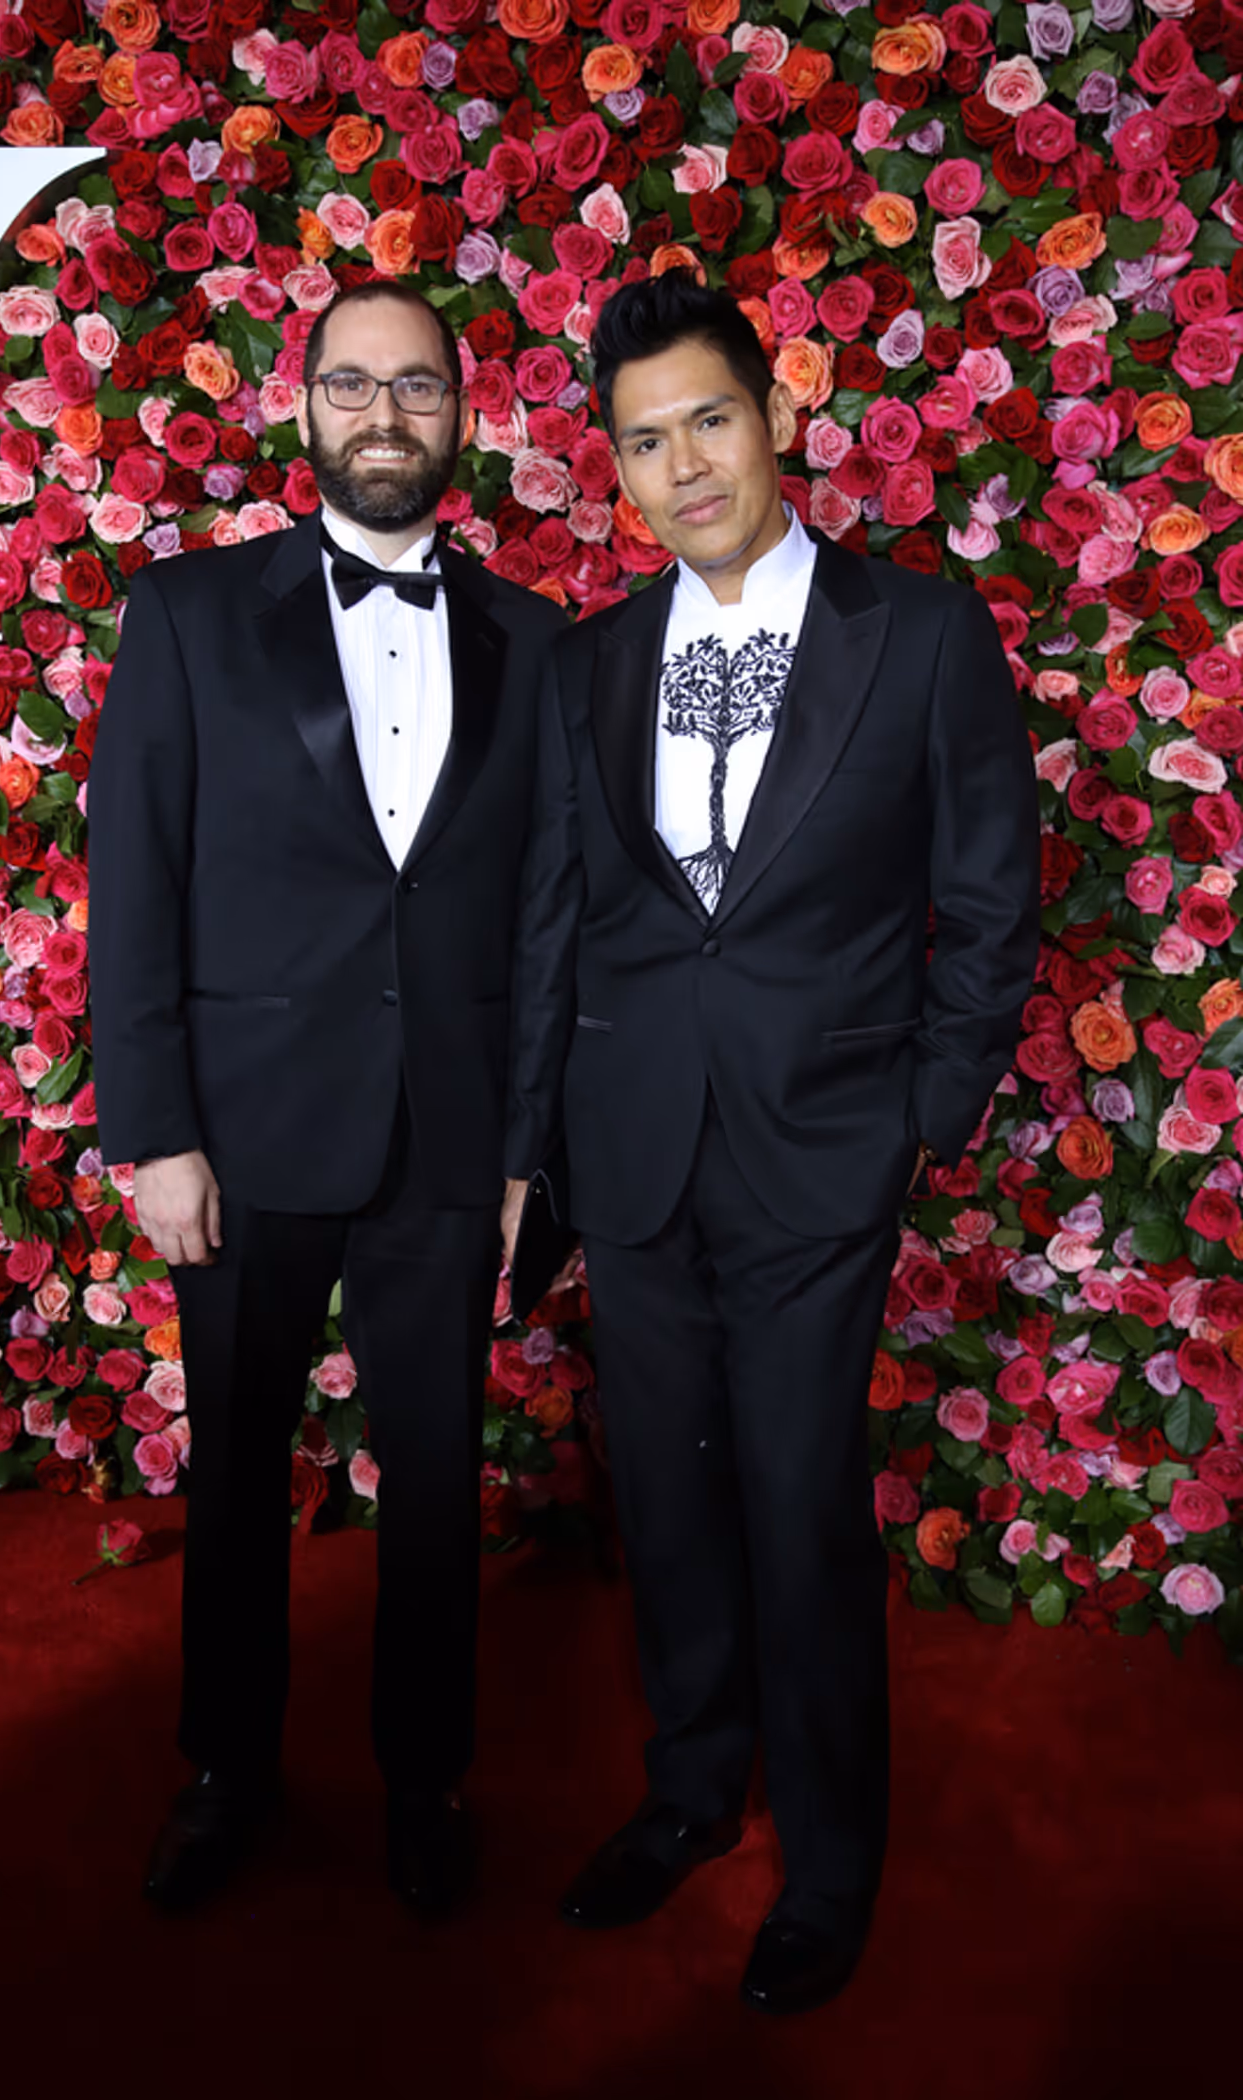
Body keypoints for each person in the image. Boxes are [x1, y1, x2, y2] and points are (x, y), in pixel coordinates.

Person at [506, 274, 1039, 2013]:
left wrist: (919, 1121)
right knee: (661, 1503)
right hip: (635, 1147)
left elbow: (987, 900)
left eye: (709, 421)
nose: (683, 467)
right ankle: (685, 1796)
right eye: (644, 442)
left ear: (780, 415)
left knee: (804, 1512)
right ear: (619, 471)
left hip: (824, 1155)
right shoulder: (591, 664)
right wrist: (540, 1143)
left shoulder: (927, 639)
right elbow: (565, 919)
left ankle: (828, 1859)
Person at [89, 283, 565, 1919]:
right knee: (235, 1472)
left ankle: (424, 1781)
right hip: (240, 1131)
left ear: (462, 416)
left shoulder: (538, 640)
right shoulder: (190, 614)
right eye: (353, 385)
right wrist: (154, 1130)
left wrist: (523, 1152)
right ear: (304, 410)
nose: (385, 415)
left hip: (446, 1139)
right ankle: (228, 1769)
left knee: (436, 1481)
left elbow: (550, 911)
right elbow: (133, 881)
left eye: (417, 388)